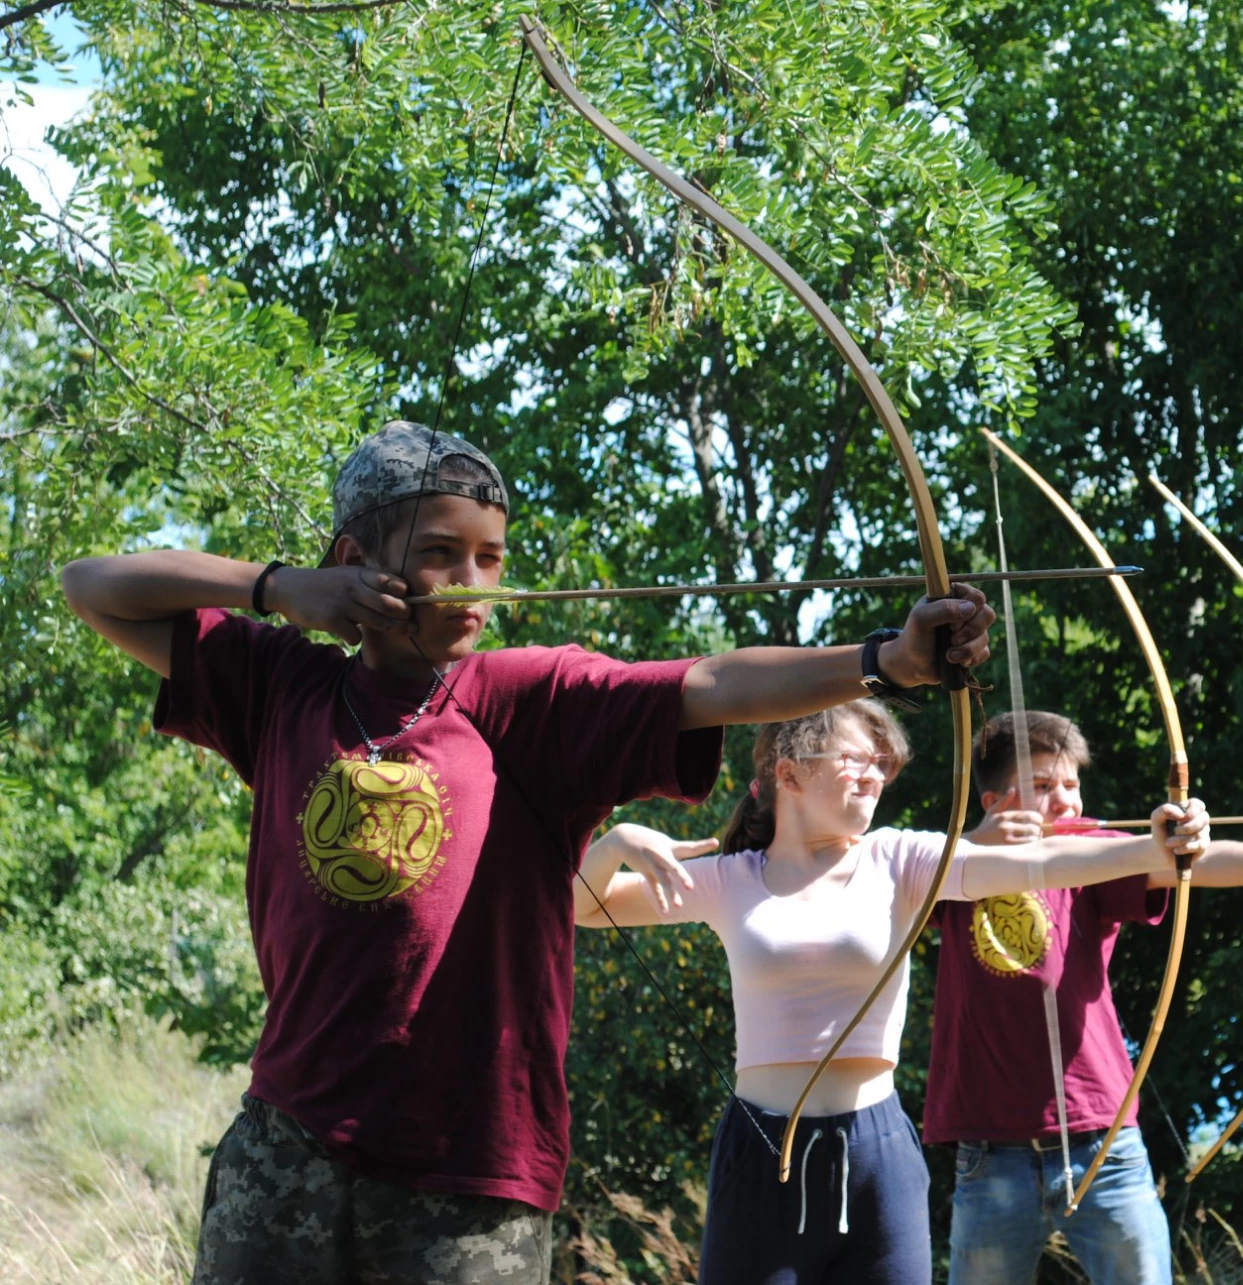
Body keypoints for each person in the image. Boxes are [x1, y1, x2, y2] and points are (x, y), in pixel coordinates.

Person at [58, 420, 996, 1285]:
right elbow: (91, 585)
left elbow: (710, 681)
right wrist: (274, 588)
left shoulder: (529, 701)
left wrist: (886, 662)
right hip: (287, 1142)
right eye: (440, 553)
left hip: (473, 1171)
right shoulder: (280, 683)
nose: (474, 580)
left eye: (491, 556)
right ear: (354, 563)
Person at [574, 698, 1211, 1284]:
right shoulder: (731, 879)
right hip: (762, 1153)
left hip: (878, 1154)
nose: (875, 776)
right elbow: (584, 905)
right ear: (789, 773)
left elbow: (1034, 863)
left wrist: (1153, 849)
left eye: (882, 765)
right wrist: (619, 841)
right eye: (856, 759)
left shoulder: (898, 858)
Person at [925, 710, 1243, 1285]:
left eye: (1072, 785)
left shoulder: (1098, 858)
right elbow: (888, 869)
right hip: (990, 1149)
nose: (1065, 801)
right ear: (993, 802)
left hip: (1102, 1142)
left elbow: (1186, 863)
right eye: (1043, 786)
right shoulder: (950, 870)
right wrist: (976, 844)